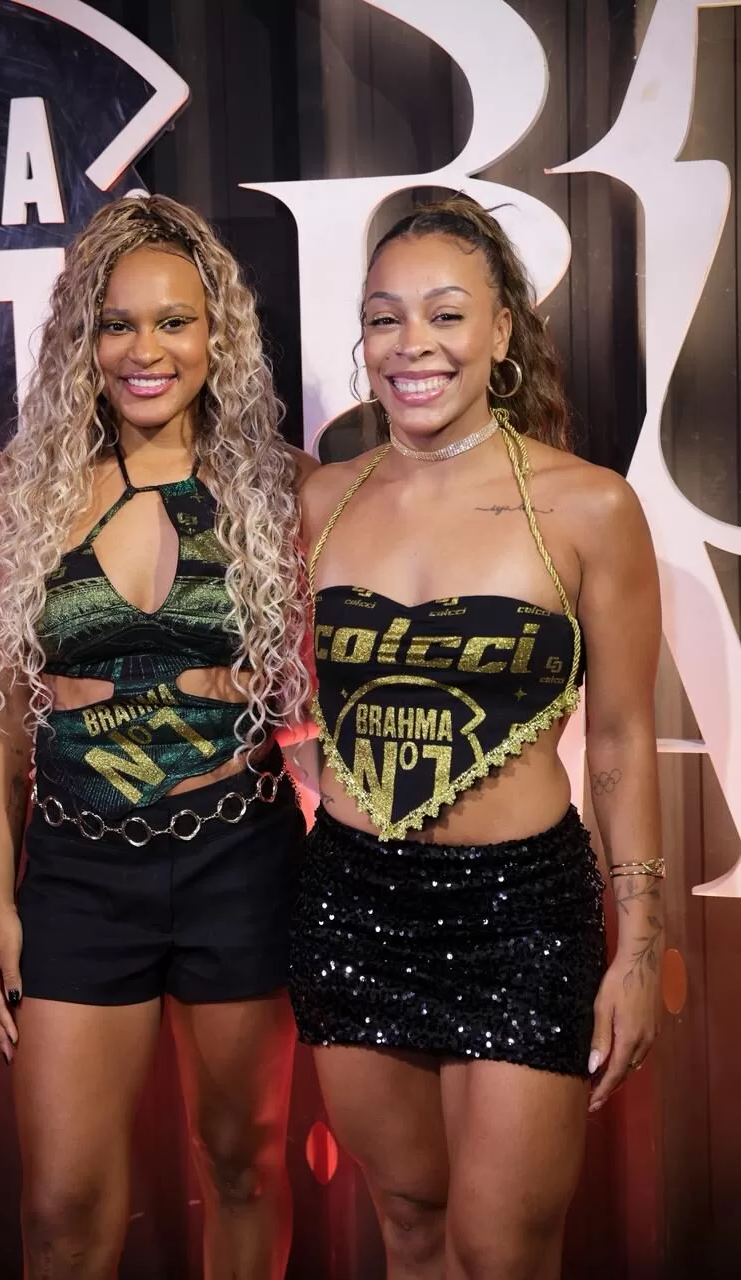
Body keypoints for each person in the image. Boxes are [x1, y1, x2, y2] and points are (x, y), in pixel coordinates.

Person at [290, 195, 663, 1280]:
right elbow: (287, 694)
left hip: (521, 919)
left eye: (446, 314)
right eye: (385, 317)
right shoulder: (319, 501)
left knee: (502, 1251)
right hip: (352, 904)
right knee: (408, 1225)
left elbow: (621, 740)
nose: (414, 344)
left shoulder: (588, 508)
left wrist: (639, 945)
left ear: (502, 332)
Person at [0, 194, 314, 1280]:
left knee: (244, 1164)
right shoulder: (23, 495)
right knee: (60, 1208)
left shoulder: (283, 486)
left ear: (218, 336)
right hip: (78, 872)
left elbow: (323, 695)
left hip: (239, 860)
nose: (145, 350)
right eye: (117, 324)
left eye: (174, 322)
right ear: (84, 339)